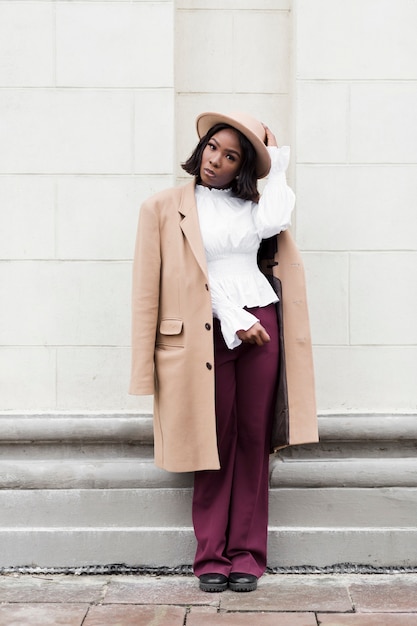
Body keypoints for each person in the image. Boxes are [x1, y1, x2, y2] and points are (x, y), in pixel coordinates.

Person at [129, 111, 318, 593]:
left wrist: (277, 162)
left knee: (253, 440)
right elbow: (162, 286)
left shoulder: (251, 208)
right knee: (211, 440)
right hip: (207, 331)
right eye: (214, 147)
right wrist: (235, 320)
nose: (216, 160)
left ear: (242, 168)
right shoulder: (162, 207)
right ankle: (210, 555)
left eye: (232, 156)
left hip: (263, 325)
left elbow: (276, 218)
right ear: (201, 147)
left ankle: (247, 556)